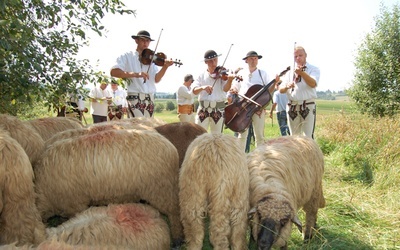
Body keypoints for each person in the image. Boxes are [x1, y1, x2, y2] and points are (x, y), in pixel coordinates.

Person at [110, 30, 174, 118]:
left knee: (149, 128)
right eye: (143, 40)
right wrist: (136, 74)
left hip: (150, 98)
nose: (145, 43)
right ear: (136, 41)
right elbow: (113, 72)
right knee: (137, 127)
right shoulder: (127, 56)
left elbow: (156, 79)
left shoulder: (152, 60)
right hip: (134, 97)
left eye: (147, 41)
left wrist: (165, 67)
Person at [230, 51, 279, 151]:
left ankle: (259, 160)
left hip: (258, 108)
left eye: (255, 58)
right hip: (243, 107)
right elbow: (235, 86)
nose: (254, 60)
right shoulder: (241, 73)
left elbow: (268, 91)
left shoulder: (263, 74)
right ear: (246, 60)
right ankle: (241, 159)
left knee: (259, 136)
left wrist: (275, 83)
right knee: (242, 136)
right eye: (251, 58)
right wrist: (234, 89)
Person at [279, 46, 320, 139]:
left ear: (306, 55)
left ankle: (309, 154)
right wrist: (286, 86)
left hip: (307, 105)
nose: (298, 58)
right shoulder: (289, 72)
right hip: (292, 106)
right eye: (295, 56)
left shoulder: (313, 69)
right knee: (294, 138)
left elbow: (313, 83)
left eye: (300, 55)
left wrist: (302, 73)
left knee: (308, 137)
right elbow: (281, 90)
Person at [192, 50, 235, 133]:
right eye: (211, 61)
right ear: (206, 62)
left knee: (216, 137)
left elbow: (225, 89)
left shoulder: (222, 73)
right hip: (203, 110)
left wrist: (229, 80)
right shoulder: (201, 75)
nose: (214, 63)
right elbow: (194, 91)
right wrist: (203, 87)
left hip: (218, 109)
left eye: (215, 60)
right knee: (198, 134)